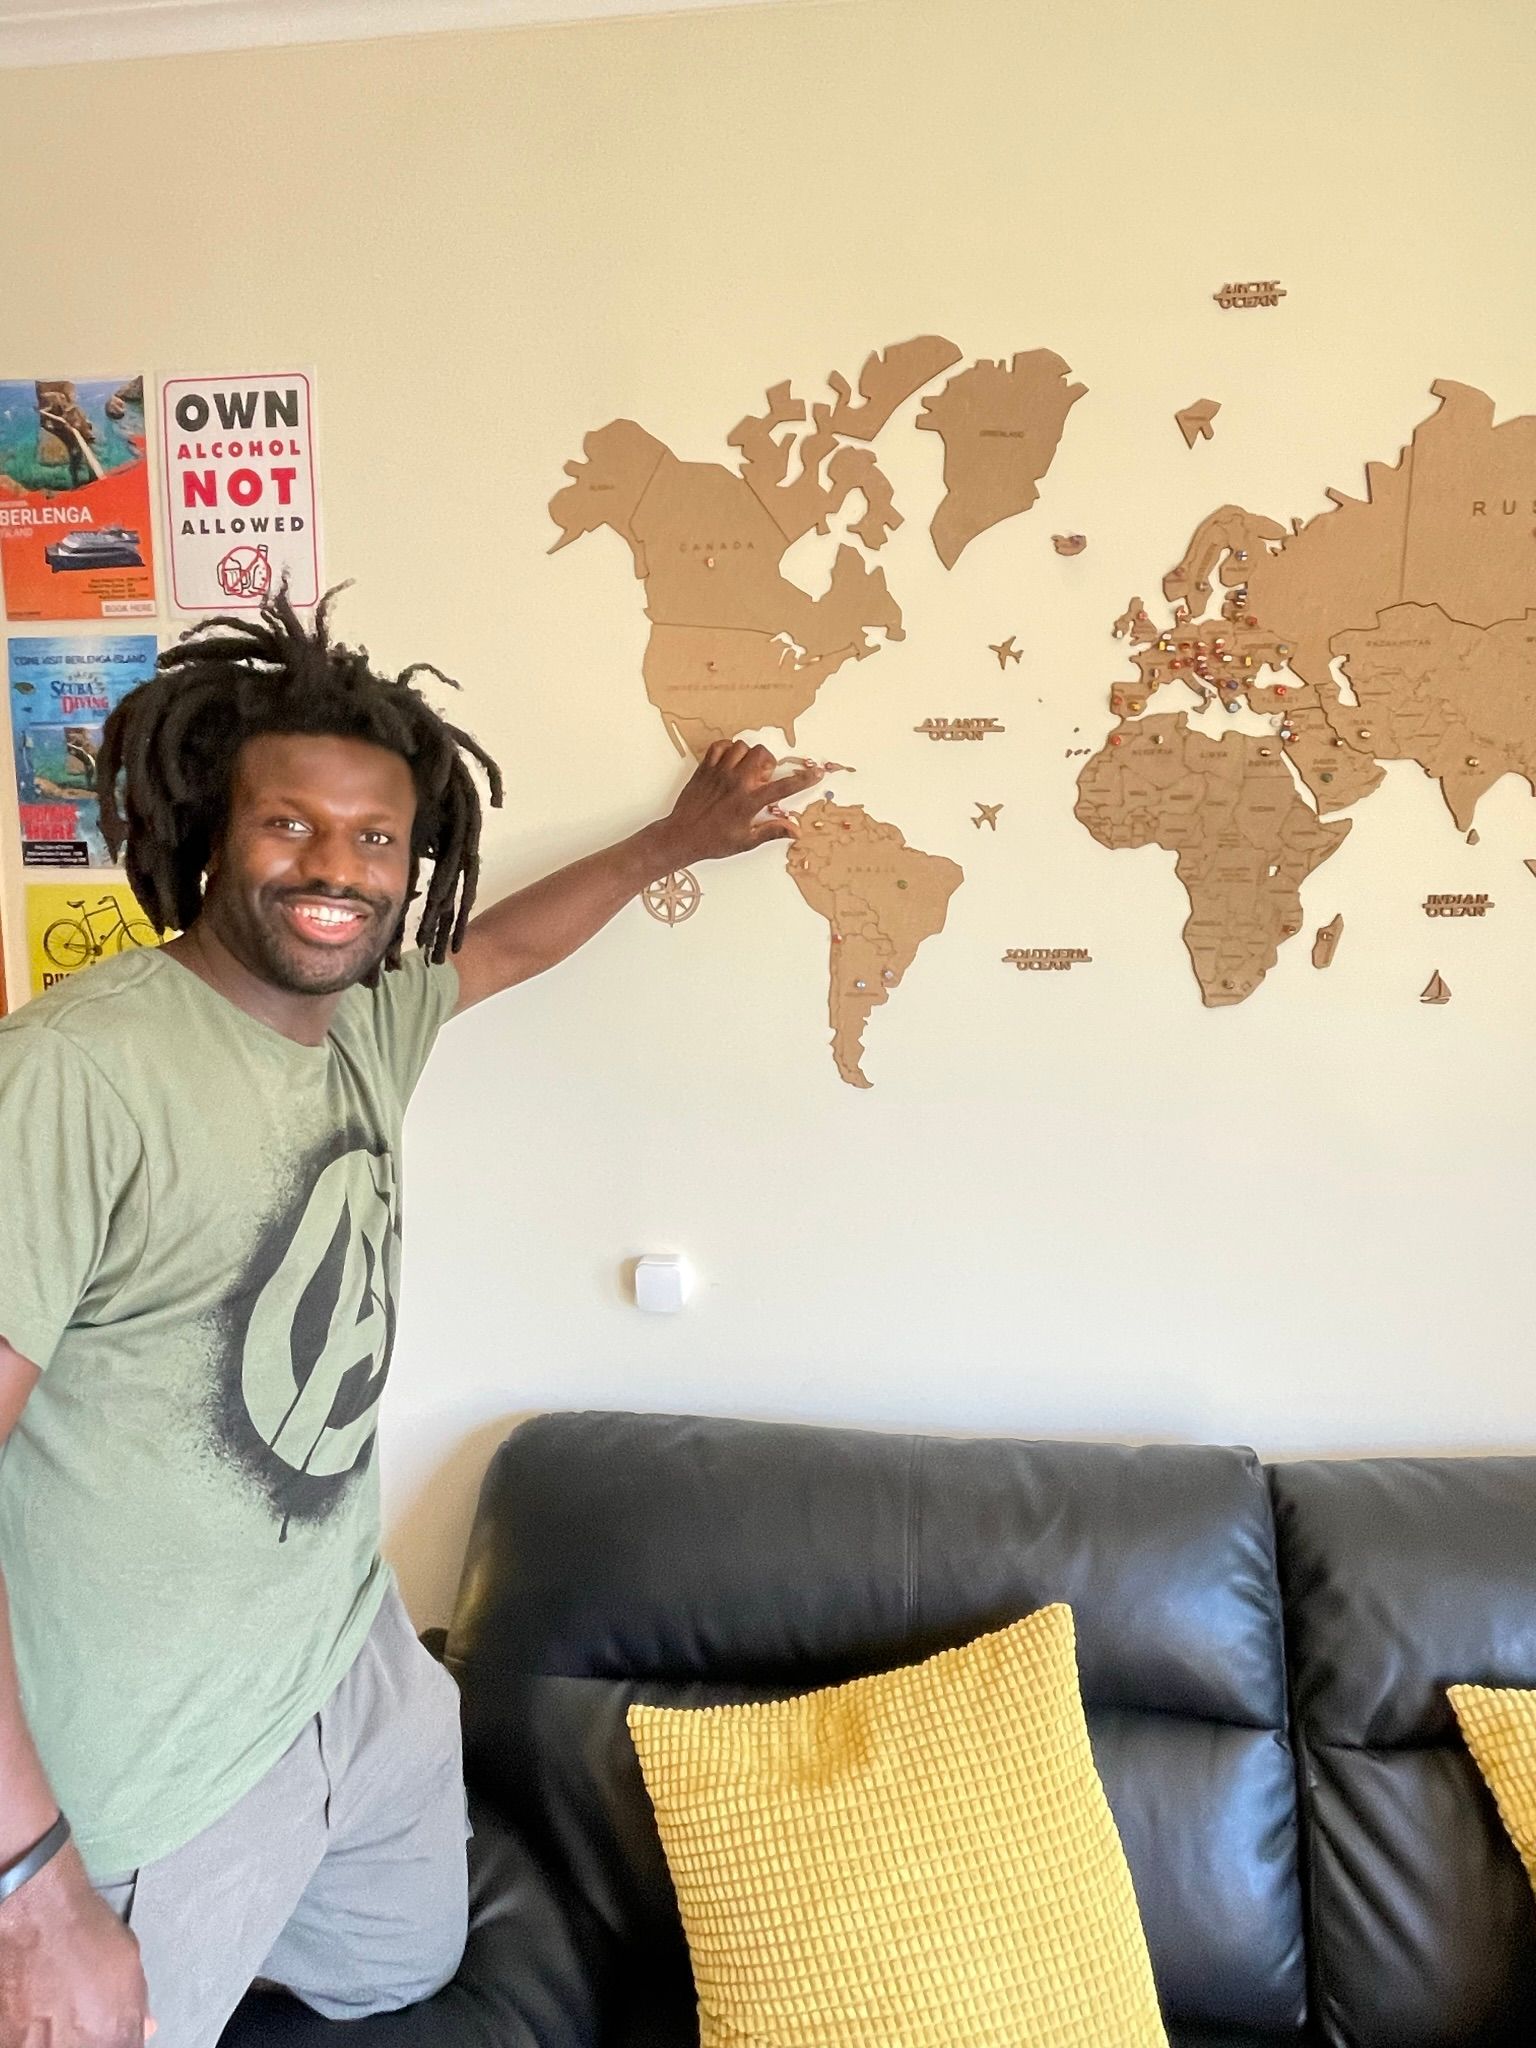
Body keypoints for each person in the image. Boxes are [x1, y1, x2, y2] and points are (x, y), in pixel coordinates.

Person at [0, 586, 821, 2048]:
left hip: (346, 1671)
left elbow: (499, 952)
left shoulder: (364, 1034)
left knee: (397, 1969)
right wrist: (29, 1885)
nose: (338, 869)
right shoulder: (75, 1074)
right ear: (209, 834)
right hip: (144, 1783)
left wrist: (670, 845)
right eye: (290, 826)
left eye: (375, 839)